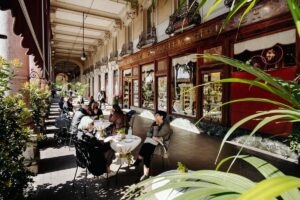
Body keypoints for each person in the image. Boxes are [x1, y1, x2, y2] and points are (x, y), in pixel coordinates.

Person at [133, 111, 171, 181]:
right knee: (146, 149)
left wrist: (155, 127)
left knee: (146, 148)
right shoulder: (154, 122)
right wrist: (153, 135)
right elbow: (148, 133)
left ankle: (139, 162)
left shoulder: (166, 126)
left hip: (161, 144)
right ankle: (145, 173)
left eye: (157, 116)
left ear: (161, 117)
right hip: (152, 141)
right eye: (155, 116)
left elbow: (156, 135)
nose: (155, 117)